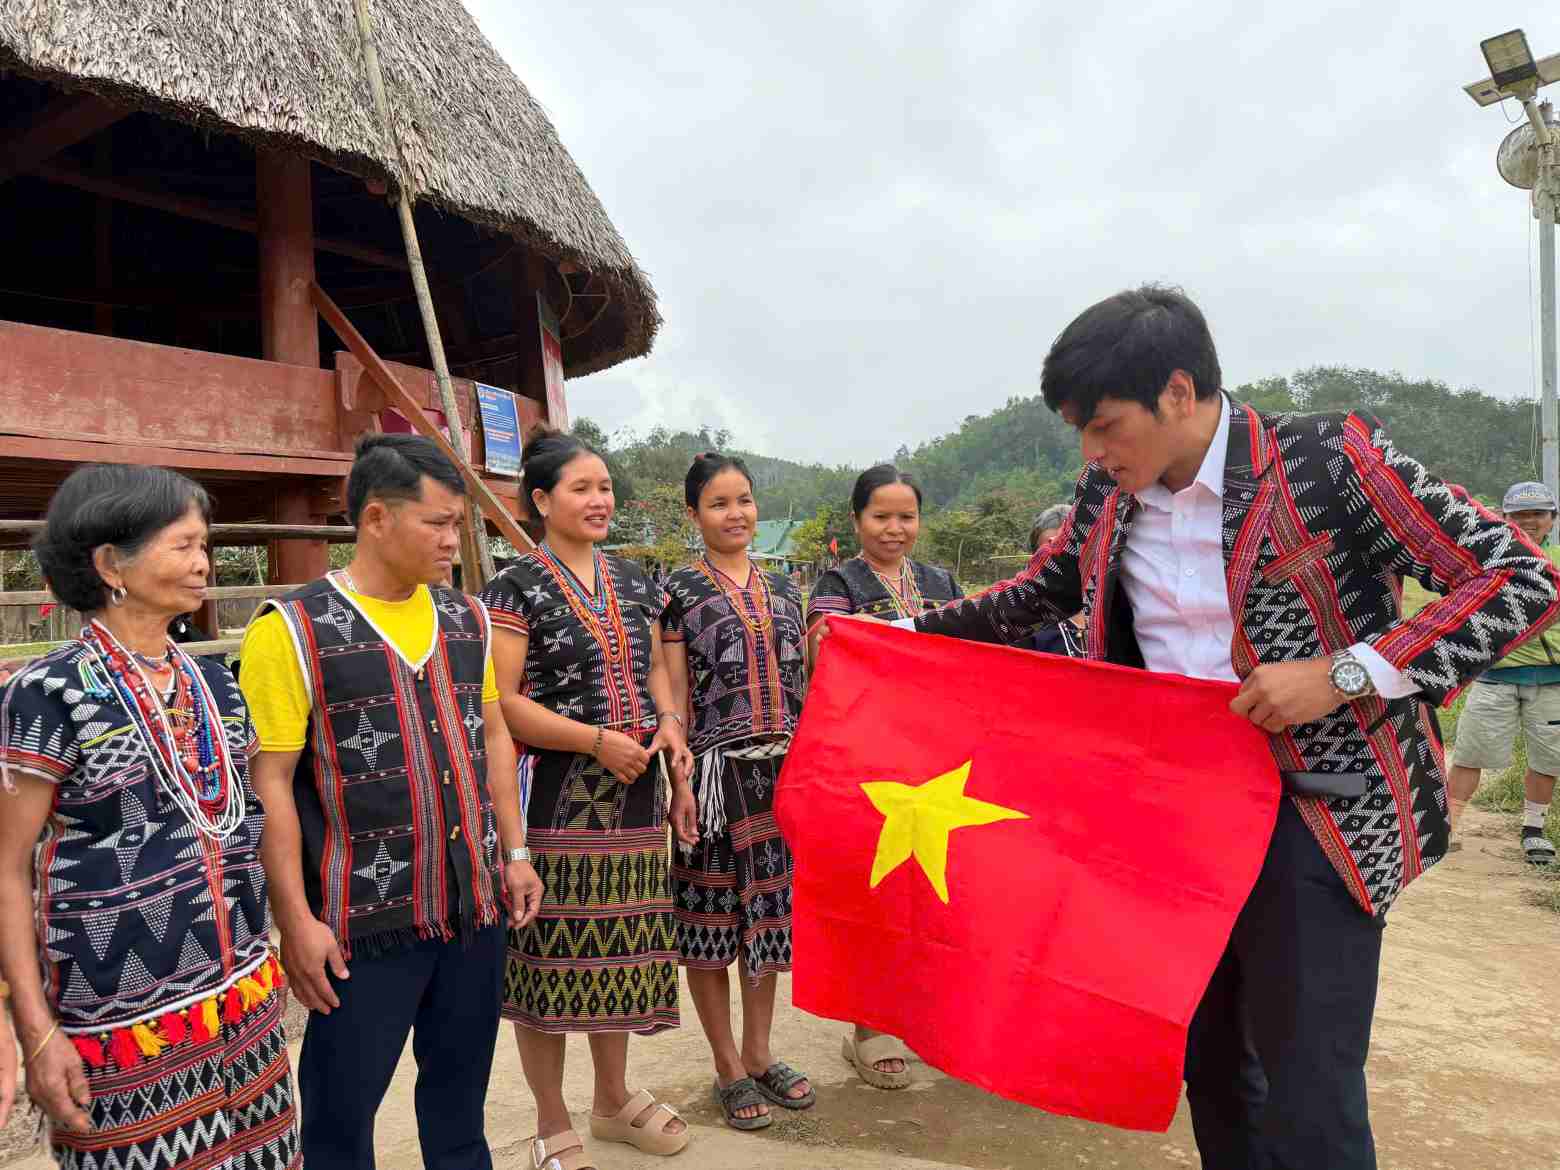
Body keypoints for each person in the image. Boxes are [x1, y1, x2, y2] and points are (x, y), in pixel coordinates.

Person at [884, 285, 1560, 1168]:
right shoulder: (1108, 493)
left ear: (1177, 392)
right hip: (1171, 819)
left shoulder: (1325, 458)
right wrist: (893, 636)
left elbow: (1518, 577)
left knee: (1310, 1088)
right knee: (1213, 1067)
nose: (1092, 452)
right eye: (1079, 433)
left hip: (1316, 810)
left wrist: (1344, 672)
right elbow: (1041, 593)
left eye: (1105, 425)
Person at [239, 434, 540, 1170]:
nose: (452, 541)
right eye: (438, 523)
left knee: (460, 1101)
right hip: (359, 926)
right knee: (343, 1117)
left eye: (457, 525)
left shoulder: (467, 617)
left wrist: (517, 851)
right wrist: (295, 921)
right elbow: (269, 783)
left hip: (474, 908)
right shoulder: (292, 629)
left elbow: (493, 733)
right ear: (376, 519)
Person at [0, 464, 299, 1170]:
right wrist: (33, 1030)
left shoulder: (215, 683)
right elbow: (6, 868)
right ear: (111, 564)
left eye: (206, 546)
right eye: (184, 545)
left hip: (244, 1012)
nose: (203, 564)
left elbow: (247, 816)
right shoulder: (48, 694)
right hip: (119, 1032)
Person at [477, 430, 696, 1170]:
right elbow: (503, 704)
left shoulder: (637, 583)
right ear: (540, 501)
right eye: (582, 488)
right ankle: (549, 1117)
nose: (600, 500)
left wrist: (669, 724)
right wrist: (595, 740)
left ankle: (611, 1100)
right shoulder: (513, 589)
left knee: (619, 953)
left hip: (637, 796)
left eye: (605, 487)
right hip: (556, 800)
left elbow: (659, 674)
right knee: (547, 959)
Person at [661, 454, 814, 1131]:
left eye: (745, 500)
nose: (737, 514)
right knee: (710, 927)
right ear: (694, 515)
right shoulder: (677, 592)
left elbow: (805, 686)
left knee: (768, 923)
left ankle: (760, 1052)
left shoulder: (785, 590)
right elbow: (674, 697)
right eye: (720, 503)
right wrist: (682, 782)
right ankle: (726, 1065)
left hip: (778, 778)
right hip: (716, 781)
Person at [804, 464, 962, 1091]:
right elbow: (825, 653)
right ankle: (868, 1027)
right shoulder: (838, 582)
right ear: (857, 521)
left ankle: (918, 1016)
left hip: (936, 757)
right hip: (868, 760)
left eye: (907, 517)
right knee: (875, 886)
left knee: (930, 888)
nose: (896, 529)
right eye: (882, 517)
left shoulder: (939, 580)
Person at [1446, 480, 1560, 865]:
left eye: (1537, 514)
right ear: (1503, 518)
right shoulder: (1484, 558)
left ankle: (1534, 830)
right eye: (1519, 515)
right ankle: (1446, 830)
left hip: (1553, 680)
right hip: (1493, 677)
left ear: (1551, 519)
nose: (1529, 521)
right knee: (1469, 754)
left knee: (1548, 759)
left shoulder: (1558, 559)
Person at [1023, 505, 1084, 657]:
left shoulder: (1114, 609)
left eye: (1069, 553)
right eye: (1047, 554)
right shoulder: (1024, 621)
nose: (1061, 565)